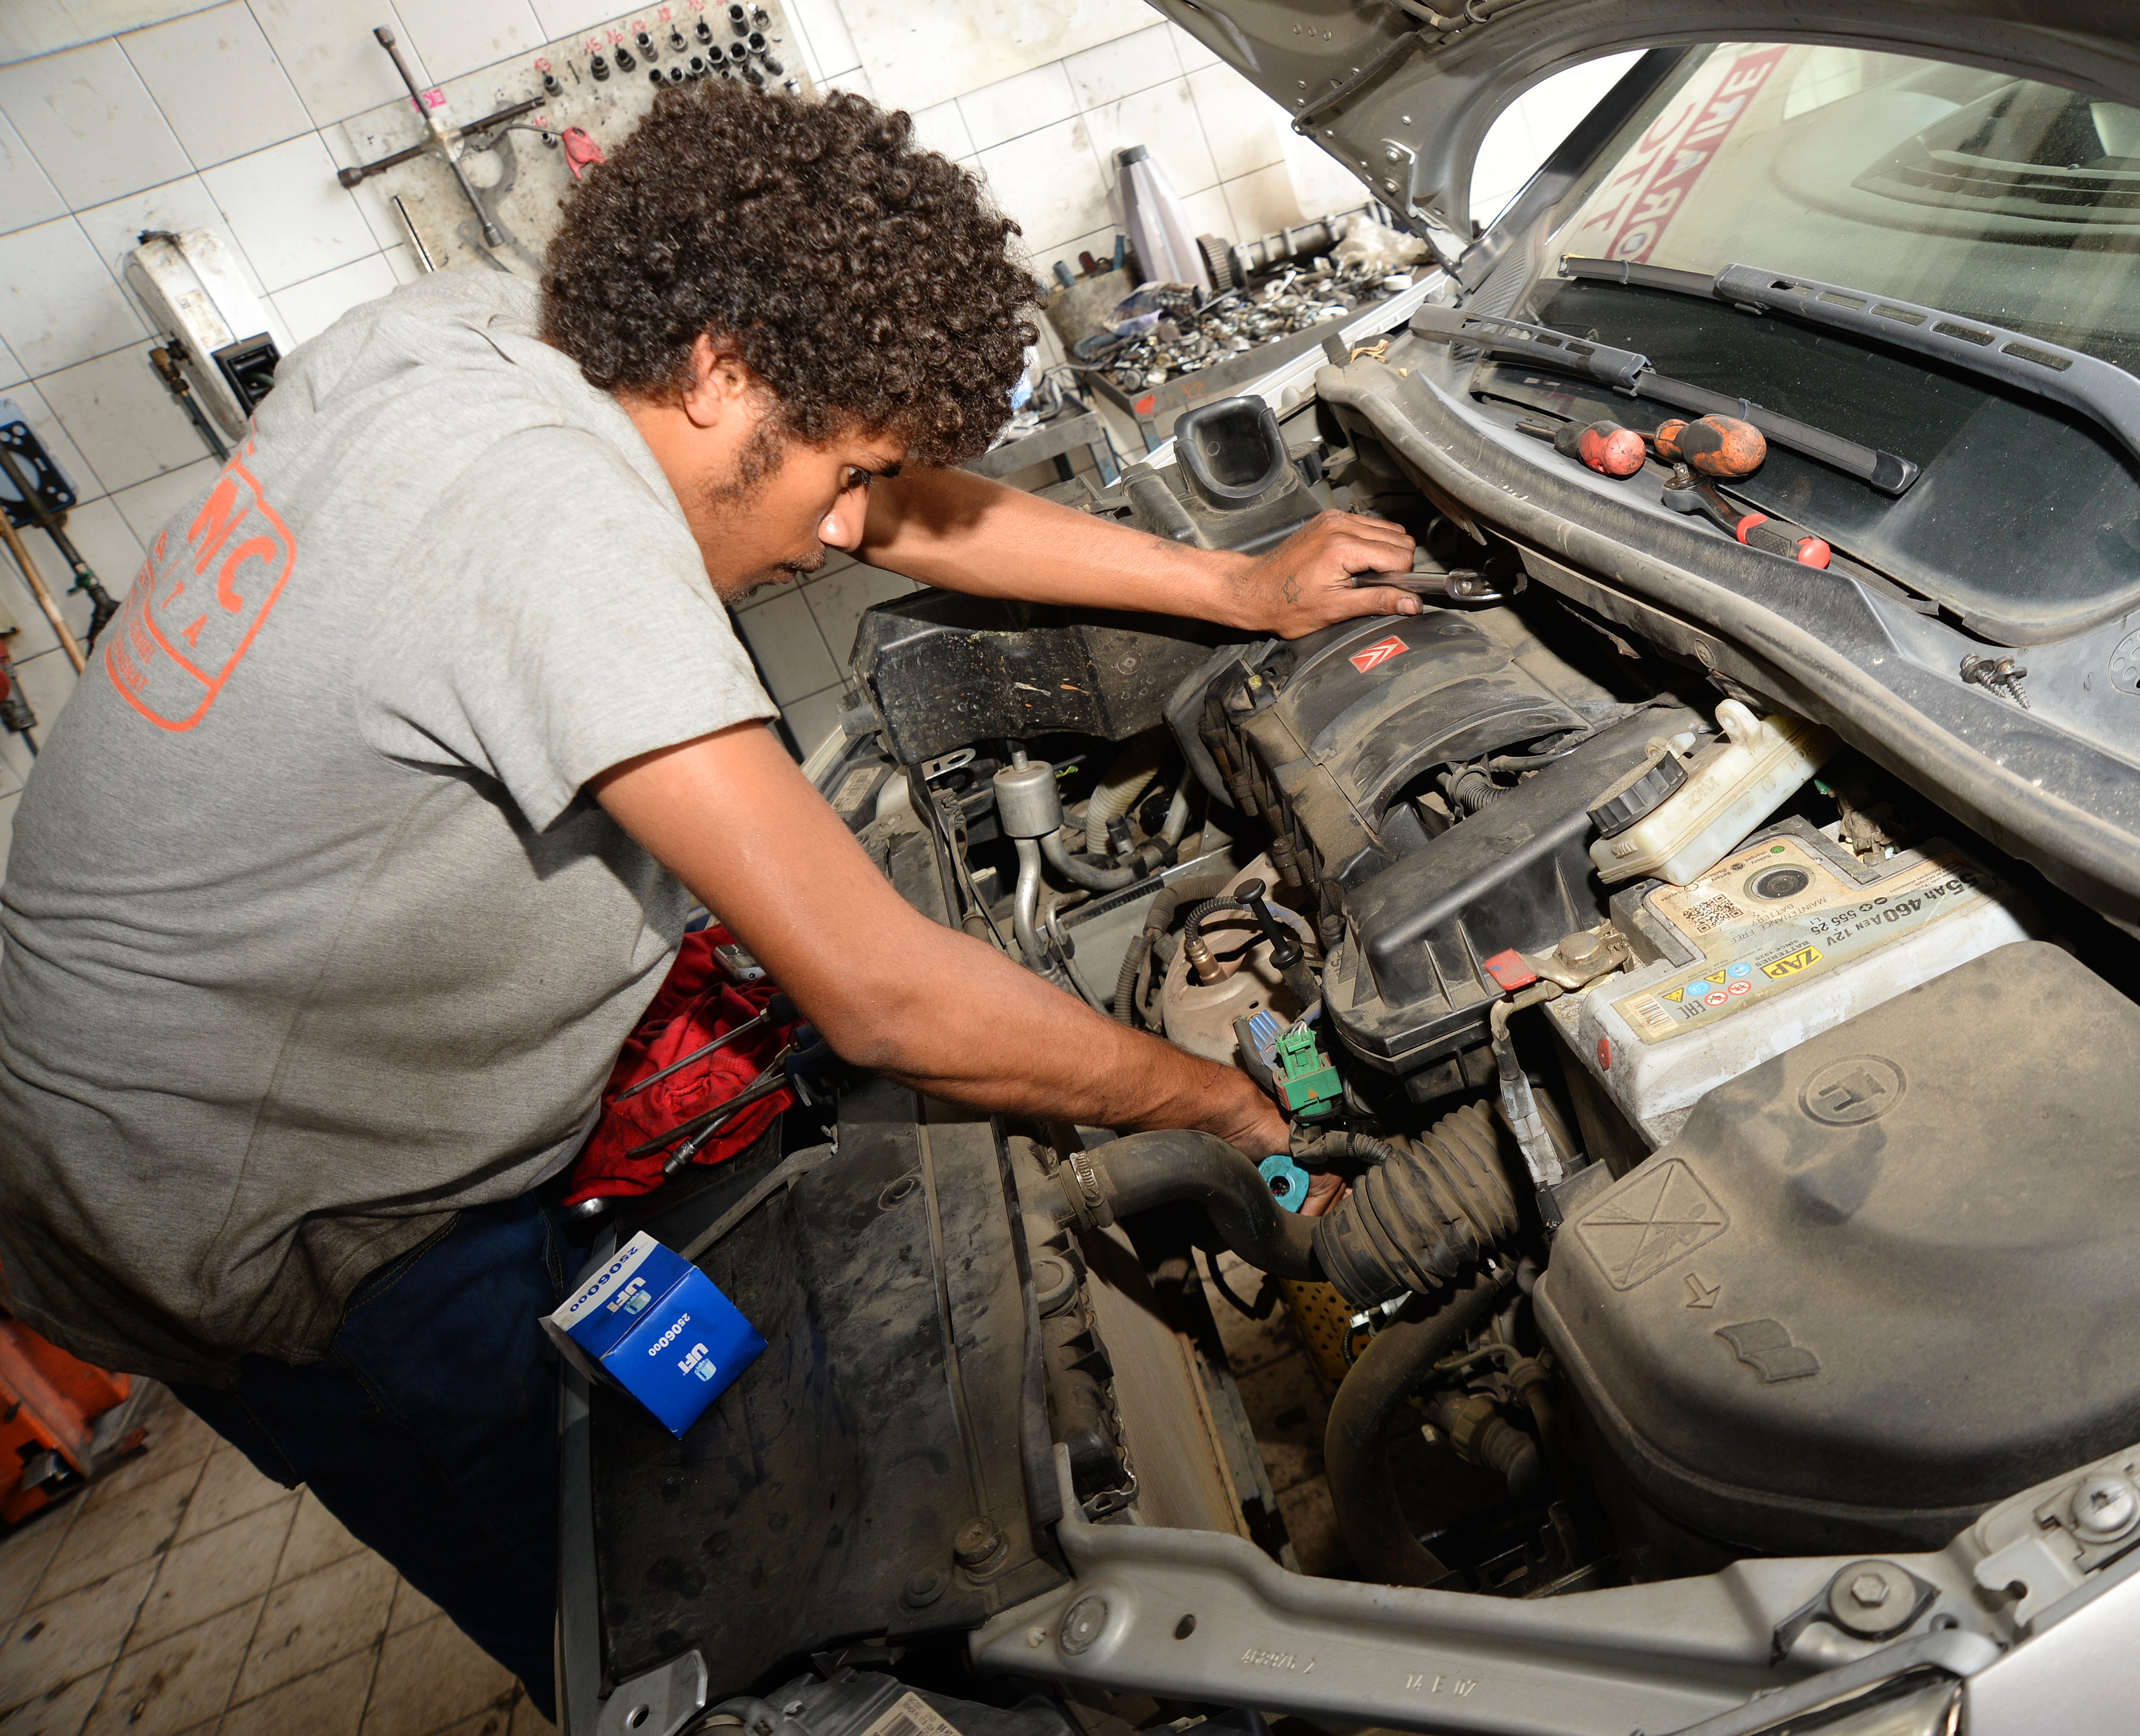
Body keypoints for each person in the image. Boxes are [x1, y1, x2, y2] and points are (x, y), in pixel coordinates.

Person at [0, 82, 1418, 1714]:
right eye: (834, 475)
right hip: (258, 1210)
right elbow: (890, 998)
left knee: (727, 1442)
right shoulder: (550, 519)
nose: (836, 538)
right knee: (689, 1634)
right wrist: (1222, 1109)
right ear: (724, 368)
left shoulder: (502, 336)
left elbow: (890, 507)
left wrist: (1236, 585)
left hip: (273, 1086)